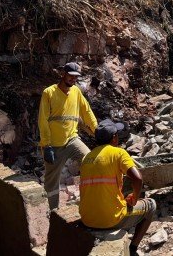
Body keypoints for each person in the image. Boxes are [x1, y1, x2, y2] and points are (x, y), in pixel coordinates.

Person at [79, 119, 156, 256]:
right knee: (151, 205)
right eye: (117, 135)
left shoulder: (86, 158)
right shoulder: (118, 153)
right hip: (110, 219)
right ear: (114, 138)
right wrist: (134, 198)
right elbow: (138, 179)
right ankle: (132, 249)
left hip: (86, 219)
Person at [38, 61, 98, 210]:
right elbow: (43, 120)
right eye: (71, 76)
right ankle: (52, 210)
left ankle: (90, 198)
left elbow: (87, 112)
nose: (73, 79)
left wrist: (97, 130)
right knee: (51, 181)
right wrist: (46, 145)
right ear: (63, 74)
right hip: (54, 144)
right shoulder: (49, 93)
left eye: (76, 77)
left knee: (90, 161)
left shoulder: (76, 92)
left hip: (72, 139)